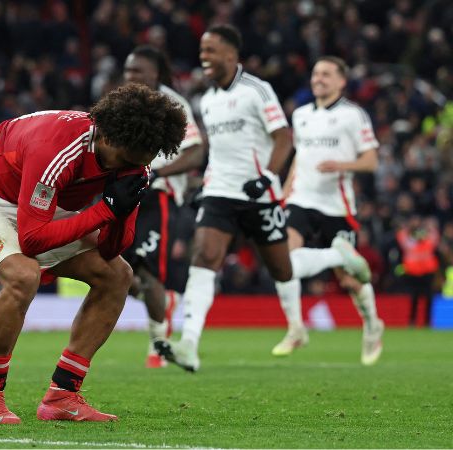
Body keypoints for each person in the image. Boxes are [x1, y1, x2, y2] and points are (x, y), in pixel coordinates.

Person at [0, 84, 186, 423]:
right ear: (109, 139)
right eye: (128, 161)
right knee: (23, 275)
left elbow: (112, 248)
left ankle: (62, 396)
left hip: (35, 206)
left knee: (118, 275)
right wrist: (104, 212)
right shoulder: (59, 146)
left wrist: (117, 211)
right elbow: (33, 240)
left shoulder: (133, 161)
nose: (131, 169)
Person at [158, 25, 371, 372]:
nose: (204, 58)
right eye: (202, 52)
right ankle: (189, 344)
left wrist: (267, 178)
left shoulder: (257, 90)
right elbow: (219, 150)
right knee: (204, 255)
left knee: (282, 268)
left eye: (210, 51)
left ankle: (334, 259)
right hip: (220, 193)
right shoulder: (208, 100)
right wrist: (205, 184)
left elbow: (283, 139)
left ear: (230, 54)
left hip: (259, 194)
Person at [273, 56, 385, 365]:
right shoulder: (302, 115)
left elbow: (371, 161)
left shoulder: (353, 115)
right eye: (315, 73)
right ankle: (296, 328)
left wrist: (341, 164)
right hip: (302, 199)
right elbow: (301, 156)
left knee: (349, 280)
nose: (318, 79)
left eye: (326, 74)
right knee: (284, 259)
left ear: (341, 81)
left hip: (337, 206)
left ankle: (373, 324)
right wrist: (285, 190)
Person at [121, 45, 204, 368]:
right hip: (124, 192)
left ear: (155, 74)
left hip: (158, 194)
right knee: (116, 270)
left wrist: (156, 171)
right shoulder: (124, 104)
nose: (131, 77)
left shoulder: (173, 104)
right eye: (128, 71)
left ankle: (158, 345)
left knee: (147, 269)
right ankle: (162, 303)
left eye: (137, 71)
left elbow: (195, 152)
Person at [396, 215, 439, 327]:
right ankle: (412, 320)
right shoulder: (410, 240)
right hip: (413, 272)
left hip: (427, 272)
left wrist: (429, 227)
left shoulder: (427, 238)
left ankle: (427, 321)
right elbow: (401, 237)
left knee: (428, 298)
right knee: (414, 298)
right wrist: (408, 228)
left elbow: (435, 237)